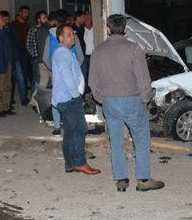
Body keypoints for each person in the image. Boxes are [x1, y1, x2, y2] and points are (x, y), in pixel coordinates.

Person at [89, 14, 165, 192]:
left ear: (108, 29)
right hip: (132, 100)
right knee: (141, 139)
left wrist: (102, 99)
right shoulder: (133, 48)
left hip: (109, 102)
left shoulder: (98, 51)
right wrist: (145, 99)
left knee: (116, 141)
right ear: (124, 29)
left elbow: (93, 82)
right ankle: (143, 179)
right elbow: (143, 80)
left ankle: (121, 180)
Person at [51, 24, 100, 175]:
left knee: (71, 131)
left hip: (66, 98)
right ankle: (79, 163)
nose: (73, 37)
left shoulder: (65, 52)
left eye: (73, 34)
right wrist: (75, 95)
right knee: (79, 129)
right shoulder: (62, 53)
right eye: (69, 34)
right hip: (69, 99)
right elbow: (67, 76)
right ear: (61, 38)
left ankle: (70, 164)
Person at [2, 10, 28, 106]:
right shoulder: (0, 31)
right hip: (6, 60)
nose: (6, 22)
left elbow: (17, 42)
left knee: (20, 78)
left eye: (7, 20)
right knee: (9, 81)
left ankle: (24, 98)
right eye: (4, 20)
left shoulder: (11, 28)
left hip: (15, 58)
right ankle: (9, 100)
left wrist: (18, 54)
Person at [26, 11, 47, 104]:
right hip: (36, 59)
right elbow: (28, 45)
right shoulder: (33, 30)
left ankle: (37, 100)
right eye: (43, 18)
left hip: (45, 58)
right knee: (37, 79)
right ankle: (34, 100)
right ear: (38, 20)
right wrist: (35, 55)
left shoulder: (47, 29)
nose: (45, 19)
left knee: (43, 80)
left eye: (46, 17)